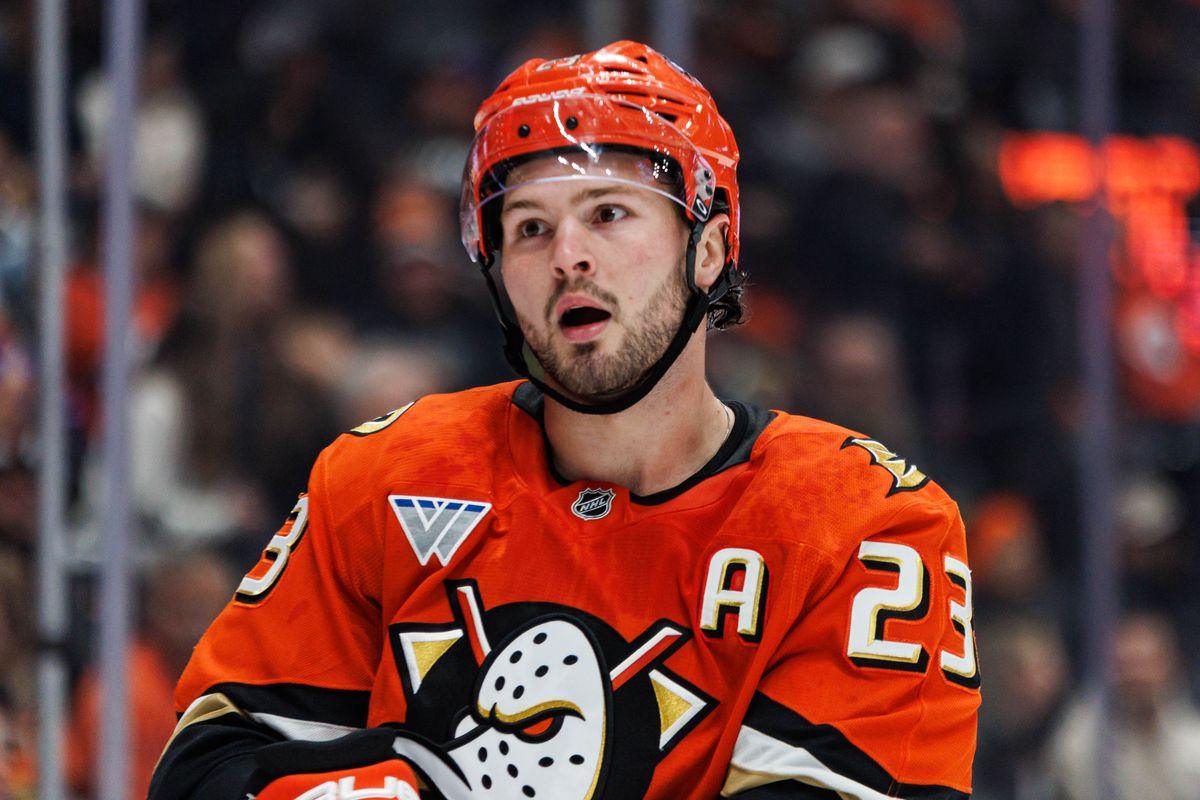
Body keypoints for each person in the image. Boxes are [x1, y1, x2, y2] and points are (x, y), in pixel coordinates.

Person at [149, 41, 978, 799]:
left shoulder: (865, 526)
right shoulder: (384, 477)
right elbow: (203, 772)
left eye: (609, 213)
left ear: (712, 249)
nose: (568, 255)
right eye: (530, 228)